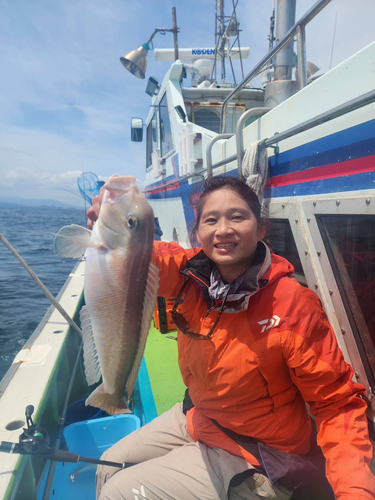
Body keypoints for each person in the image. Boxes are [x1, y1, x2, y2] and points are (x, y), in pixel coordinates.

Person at [87, 176, 375, 500]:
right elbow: (138, 256)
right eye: (211, 220)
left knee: (116, 492)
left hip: (256, 451)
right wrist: (114, 221)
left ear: (261, 228)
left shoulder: (293, 304)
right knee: (106, 464)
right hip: (200, 414)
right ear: (198, 233)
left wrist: (355, 492)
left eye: (237, 217)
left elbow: (336, 404)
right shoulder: (190, 273)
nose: (223, 229)